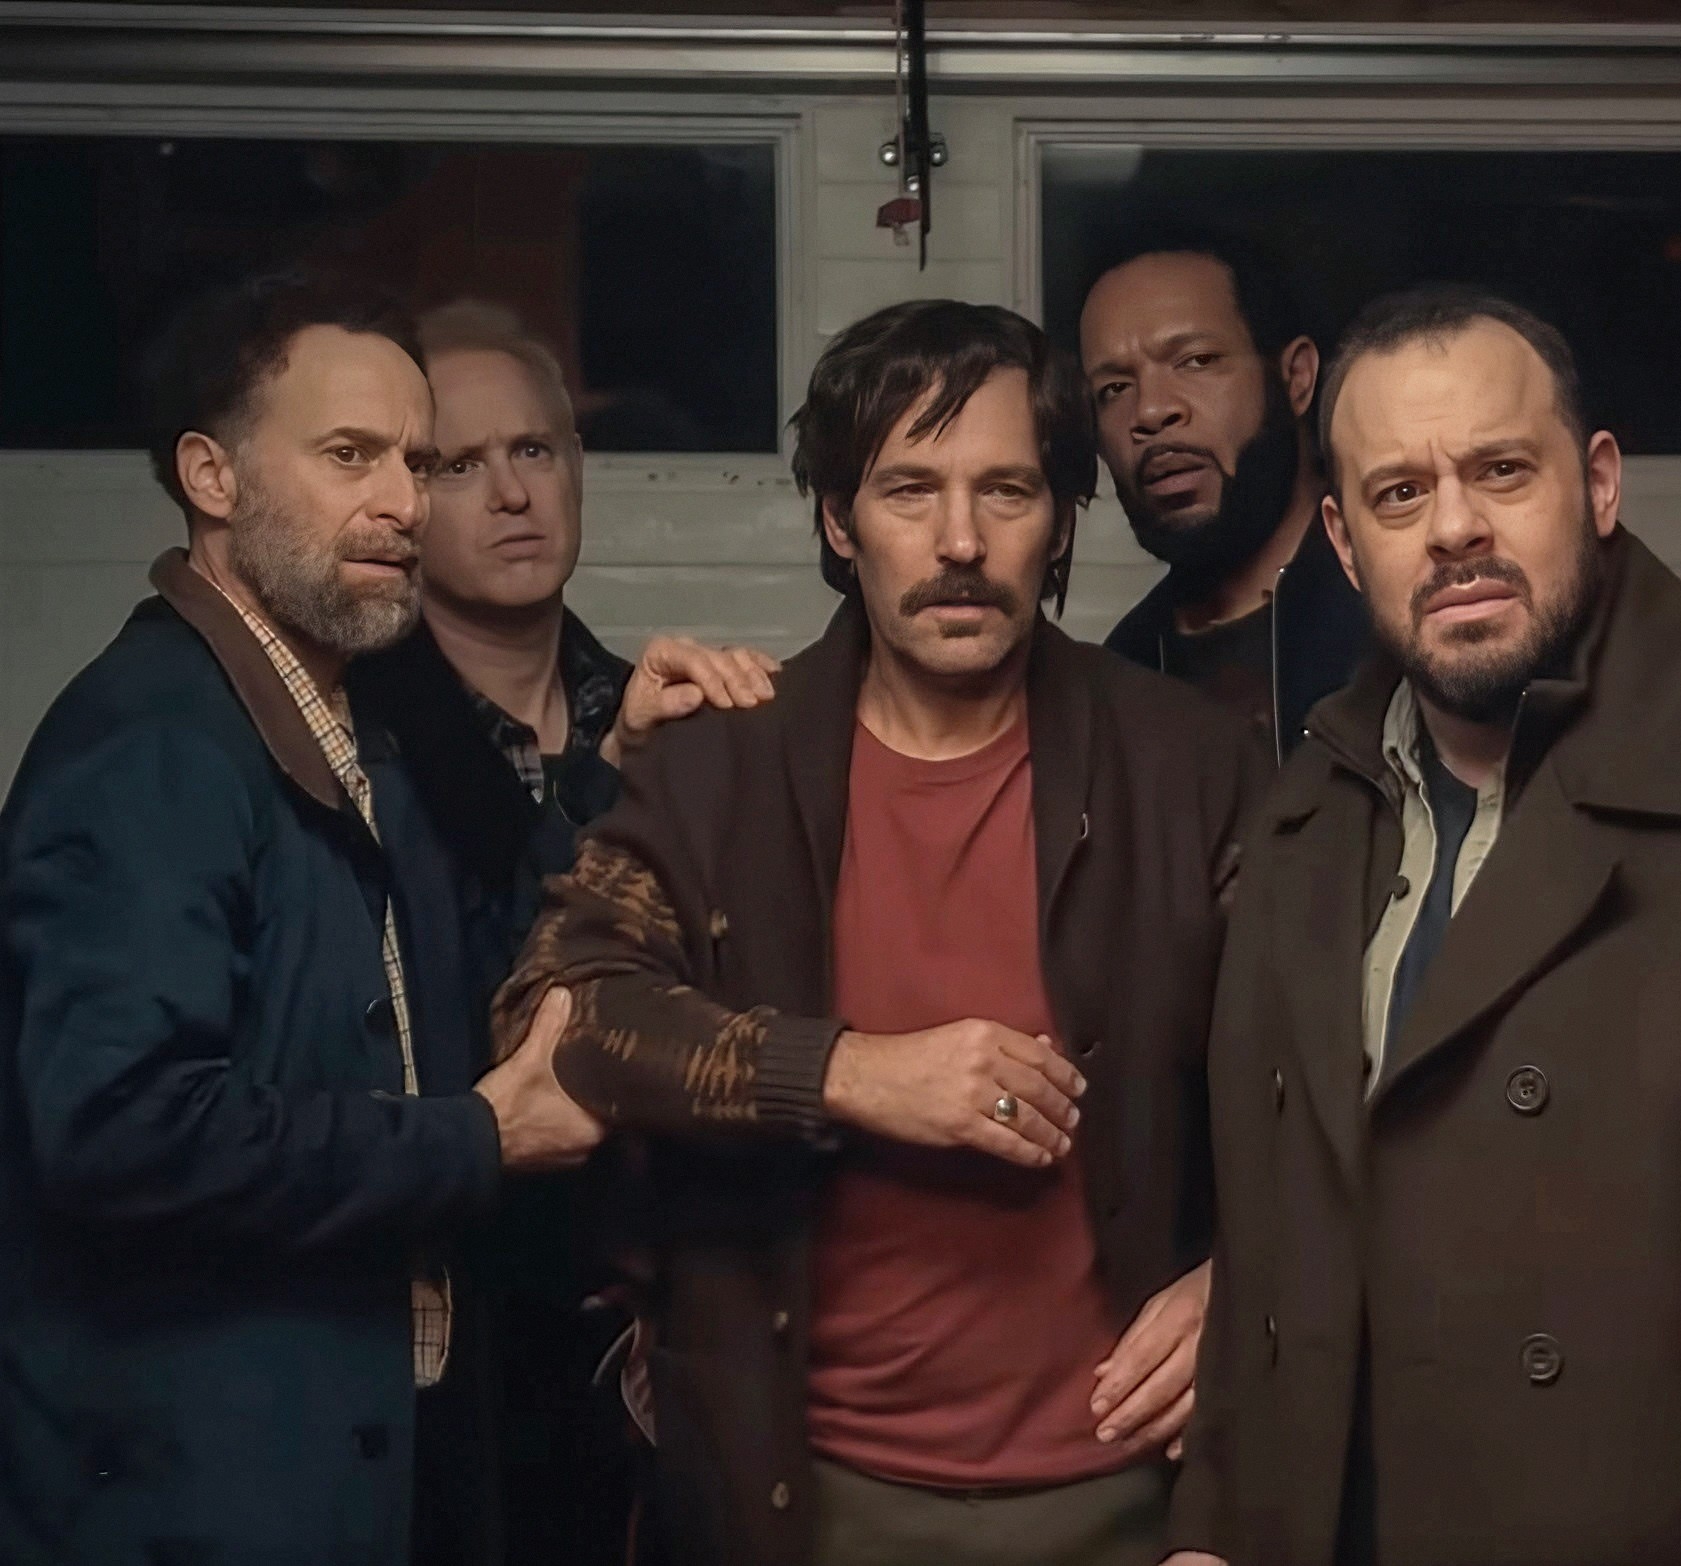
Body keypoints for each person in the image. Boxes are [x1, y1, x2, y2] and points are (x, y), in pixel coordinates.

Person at [1163, 285, 1681, 1566]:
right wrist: (1214, 1528)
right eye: (1396, 496)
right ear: (1340, 539)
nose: (1452, 530)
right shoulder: (1302, 821)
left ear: (1597, 484)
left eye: (1500, 471)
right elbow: (1269, 1254)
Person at [492, 299, 1262, 1566]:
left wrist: (1244, 1277)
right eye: (910, 491)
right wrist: (854, 1072)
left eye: (1006, 491)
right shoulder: (723, 759)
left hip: (1130, 1495)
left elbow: (1334, 1078)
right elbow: (564, 1017)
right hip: (802, 1498)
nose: (960, 541)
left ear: (1063, 517)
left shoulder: (1189, 766)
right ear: (841, 522)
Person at [0, 272, 602, 1565]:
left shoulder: (350, 732)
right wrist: (473, 1138)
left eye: (415, 460)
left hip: (354, 1477)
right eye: (349, 456)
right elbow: (116, 1128)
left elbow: (462, 967)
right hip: (188, 1509)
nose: (402, 502)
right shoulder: (153, 745)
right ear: (211, 476)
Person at [348, 300, 775, 1566]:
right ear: (404, 503)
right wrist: (609, 786)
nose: (510, 494)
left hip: (655, 1316)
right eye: (458, 466)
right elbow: (492, 1002)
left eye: (534, 451)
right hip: (451, 1324)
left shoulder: (658, 707)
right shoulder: (352, 738)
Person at [1080, 225, 1367, 759]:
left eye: (1196, 361)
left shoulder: (1404, 616)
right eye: (1113, 389)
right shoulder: (1125, 668)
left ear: (1296, 378)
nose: (1149, 411)